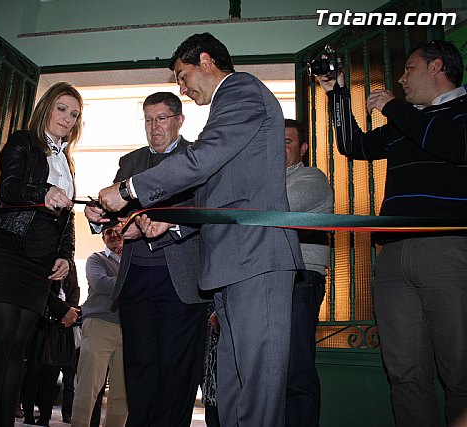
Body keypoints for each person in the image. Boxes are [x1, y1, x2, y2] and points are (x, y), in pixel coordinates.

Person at [97, 33, 304, 427]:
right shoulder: (230, 107)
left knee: (257, 382)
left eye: (181, 74)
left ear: (206, 61)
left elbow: (202, 159)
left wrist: (129, 189)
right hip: (232, 262)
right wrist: (172, 218)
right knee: (234, 381)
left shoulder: (242, 90)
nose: (182, 87)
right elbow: (219, 191)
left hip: (255, 257)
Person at [318, 39, 467, 426]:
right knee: (404, 374)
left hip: (448, 251)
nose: (401, 80)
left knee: (461, 371)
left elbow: (451, 146)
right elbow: (353, 146)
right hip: (393, 255)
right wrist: (334, 92)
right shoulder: (407, 120)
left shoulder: (458, 113)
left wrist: (393, 108)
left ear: (437, 68)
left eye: (410, 69)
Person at [86, 91, 210, 427]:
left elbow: (207, 210)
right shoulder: (130, 162)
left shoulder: (198, 157)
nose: (154, 127)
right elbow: (117, 212)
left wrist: (170, 225)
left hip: (181, 279)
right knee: (139, 366)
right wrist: (98, 216)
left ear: (179, 120)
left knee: (176, 368)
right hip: (136, 278)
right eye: (148, 119)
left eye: (161, 118)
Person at [0, 82, 82, 427]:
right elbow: (10, 188)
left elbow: (68, 216)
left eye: (74, 114)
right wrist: (45, 190)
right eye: (62, 108)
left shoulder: (68, 161)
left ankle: (4, 422)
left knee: (19, 344)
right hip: (6, 245)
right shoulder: (23, 141)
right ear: (47, 108)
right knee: (2, 335)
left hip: (39, 258)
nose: (68, 118)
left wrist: (66, 254)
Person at [283, 119, 333, 426]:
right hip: (271, 279)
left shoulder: (311, 177)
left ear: (302, 149)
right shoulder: (264, 180)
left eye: (287, 142)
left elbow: (275, 211)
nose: (278, 148)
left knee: (296, 371)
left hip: (300, 280)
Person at [71, 226, 127, 427]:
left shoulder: (133, 260)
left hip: (129, 330)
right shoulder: (96, 259)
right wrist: (135, 282)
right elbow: (101, 284)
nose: (114, 235)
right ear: (103, 238)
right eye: (108, 232)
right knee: (88, 386)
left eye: (117, 230)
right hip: (99, 326)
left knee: (122, 392)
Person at [21, 270, 79, 427]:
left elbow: (74, 291)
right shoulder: (47, 260)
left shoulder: (70, 267)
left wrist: (70, 311)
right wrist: (63, 310)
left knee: (52, 375)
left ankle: (45, 418)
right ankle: (28, 415)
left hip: (61, 328)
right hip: (41, 324)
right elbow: (41, 290)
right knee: (33, 373)